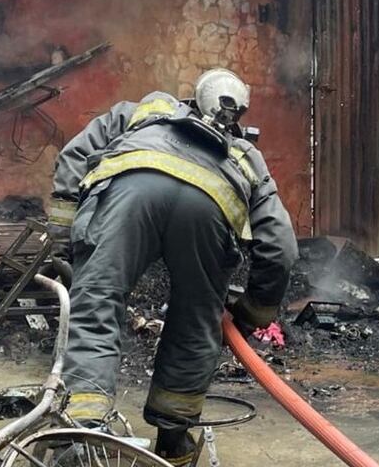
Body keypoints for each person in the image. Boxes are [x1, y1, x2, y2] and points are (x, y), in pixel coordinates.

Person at [46, 68, 297, 464]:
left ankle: (81, 434)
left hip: (128, 194)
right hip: (207, 211)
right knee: (195, 321)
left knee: (97, 304)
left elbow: (75, 154)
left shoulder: (146, 109)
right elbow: (280, 248)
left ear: (193, 98)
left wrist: (64, 236)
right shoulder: (246, 156)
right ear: (239, 117)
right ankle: (173, 439)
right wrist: (253, 312)